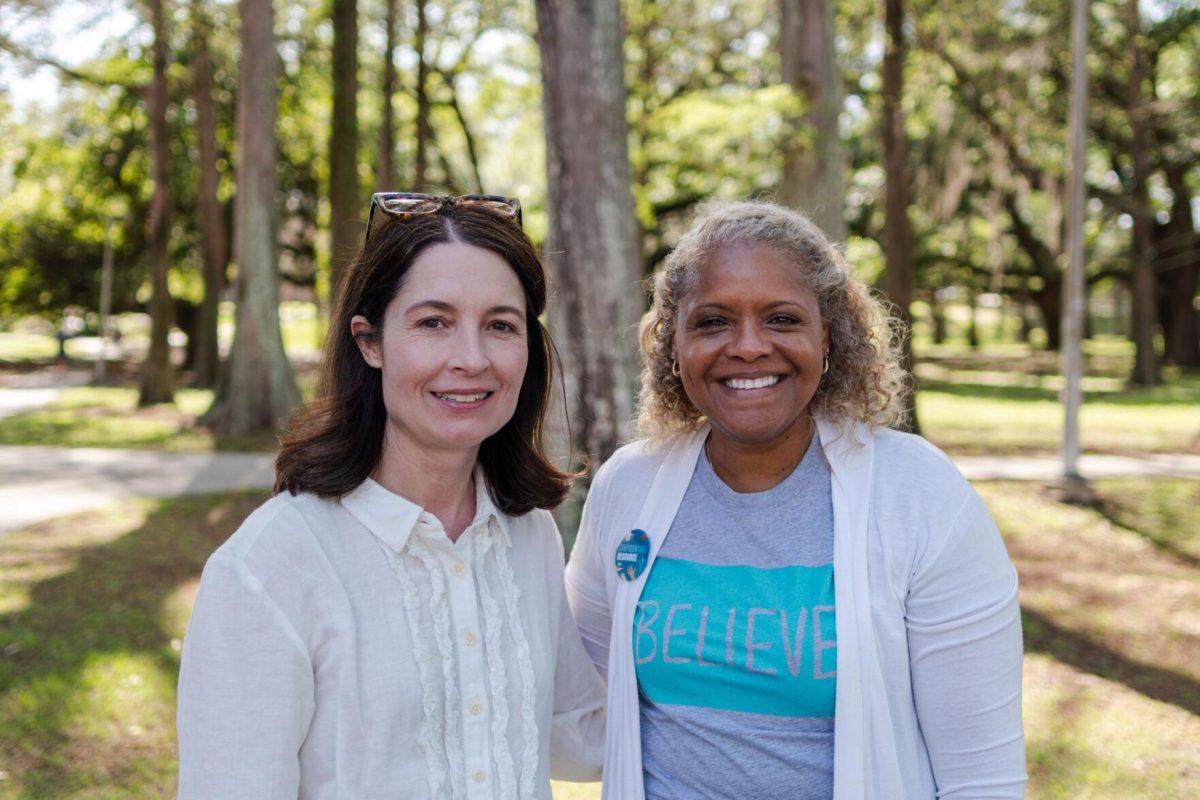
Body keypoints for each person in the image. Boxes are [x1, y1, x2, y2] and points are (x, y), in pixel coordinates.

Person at [565, 201, 1026, 799]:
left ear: (827, 336)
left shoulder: (920, 495)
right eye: (712, 322)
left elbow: (982, 781)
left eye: (781, 319)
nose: (749, 346)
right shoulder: (629, 487)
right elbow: (575, 710)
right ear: (672, 345)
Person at [177, 193, 605, 799]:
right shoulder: (269, 568)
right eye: (433, 322)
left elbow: (577, 734)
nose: (472, 359)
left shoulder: (527, 532)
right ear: (369, 341)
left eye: (500, 326)